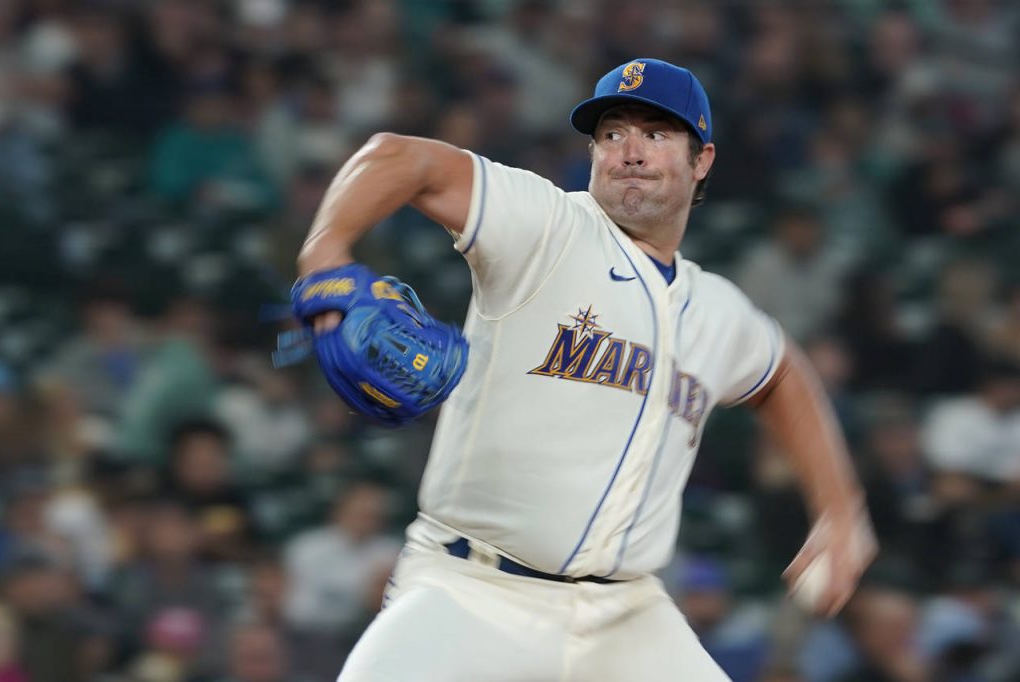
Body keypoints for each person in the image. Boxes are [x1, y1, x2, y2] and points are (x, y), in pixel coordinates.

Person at [296, 58, 876, 681]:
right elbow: (400, 156)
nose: (630, 150)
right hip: (473, 593)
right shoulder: (547, 227)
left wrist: (839, 509)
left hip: (627, 617)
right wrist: (324, 251)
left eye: (655, 133)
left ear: (702, 160)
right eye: (612, 133)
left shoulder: (716, 310)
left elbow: (783, 374)